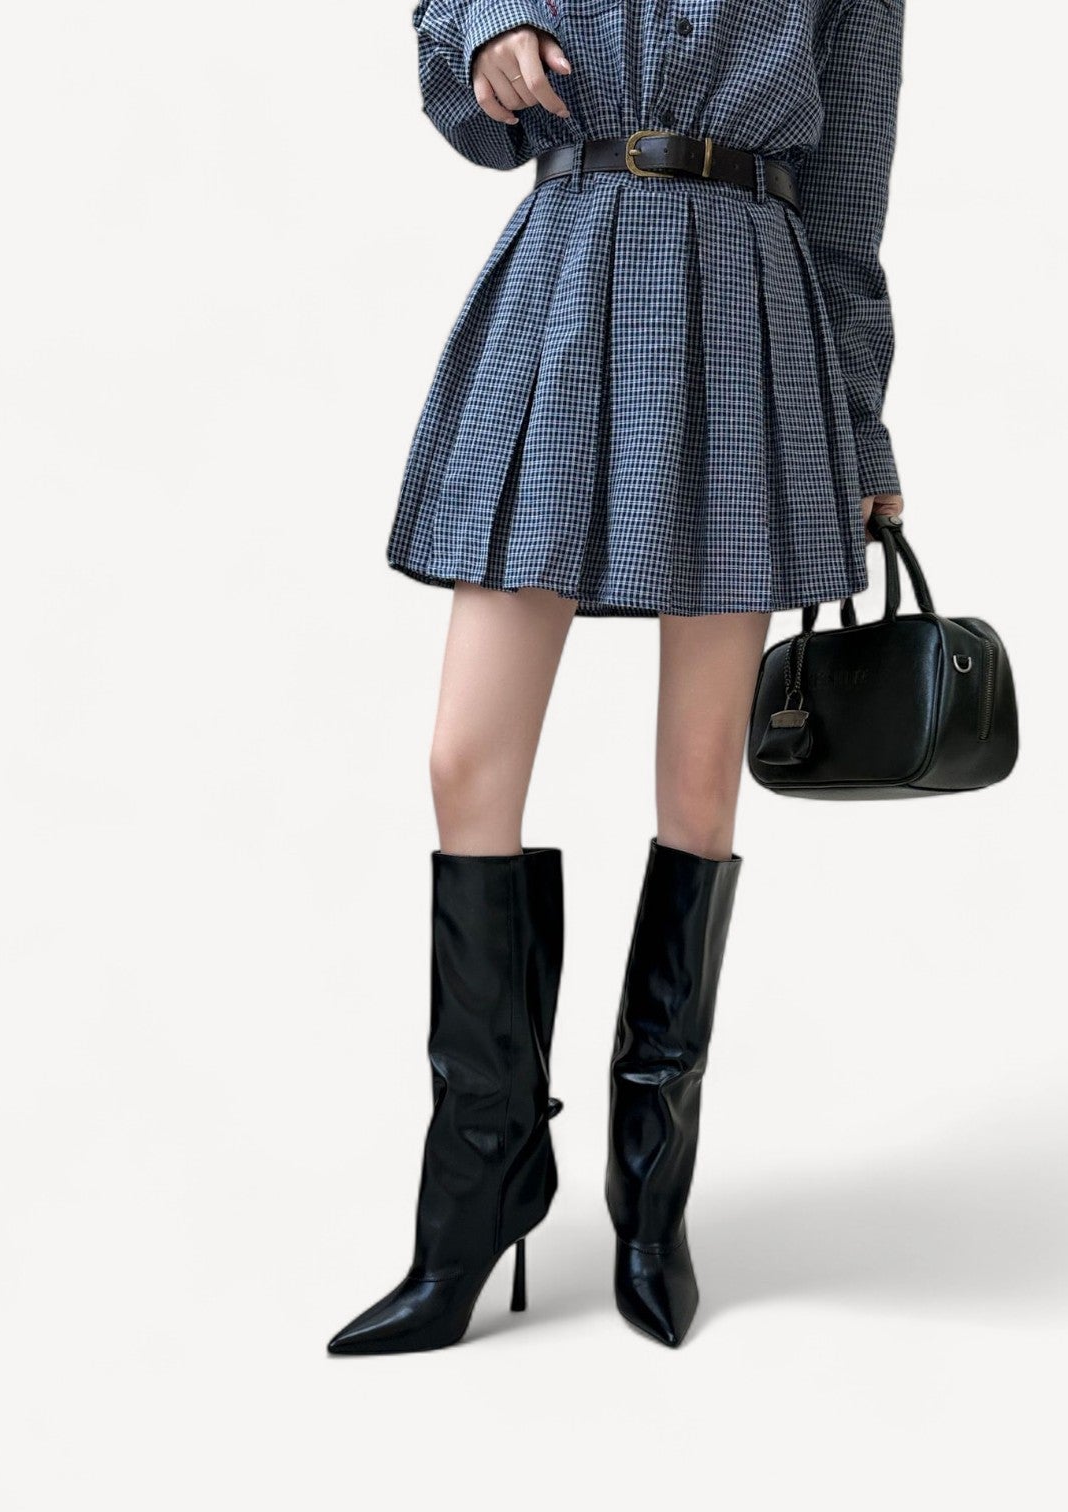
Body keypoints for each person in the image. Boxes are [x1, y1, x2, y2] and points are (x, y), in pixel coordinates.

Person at [328, 0, 907, 1355]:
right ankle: (482, 1180)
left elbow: (847, 190)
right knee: (464, 764)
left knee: (700, 783)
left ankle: (652, 1197)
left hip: (750, 305)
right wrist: (489, 33)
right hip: (572, 276)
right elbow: (450, 32)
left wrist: (862, 429)